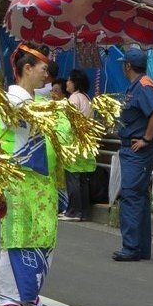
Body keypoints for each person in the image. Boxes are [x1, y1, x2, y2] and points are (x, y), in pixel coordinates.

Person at [0, 42, 59, 306]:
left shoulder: (37, 101)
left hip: (41, 179)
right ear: (27, 68)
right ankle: (8, 294)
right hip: (18, 175)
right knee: (17, 233)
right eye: (44, 69)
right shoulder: (10, 99)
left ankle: (29, 291)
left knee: (43, 232)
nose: (47, 75)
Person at [113, 48, 153, 262]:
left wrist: (146, 139)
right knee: (138, 197)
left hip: (137, 150)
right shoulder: (137, 86)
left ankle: (131, 247)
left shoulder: (143, 86)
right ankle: (140, 247)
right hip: (131, 149)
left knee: (131, 195)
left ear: (128, 66)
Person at [59, 68, 96, 222]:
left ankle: (73, 211)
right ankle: (83, 212)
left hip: (73, 143)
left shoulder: (74, 98)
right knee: (82, 178)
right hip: (85, 142)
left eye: (69, 80)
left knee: (72, 176)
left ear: (74, 83)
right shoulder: (87, 98)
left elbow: (70, 121)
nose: (66, 82)